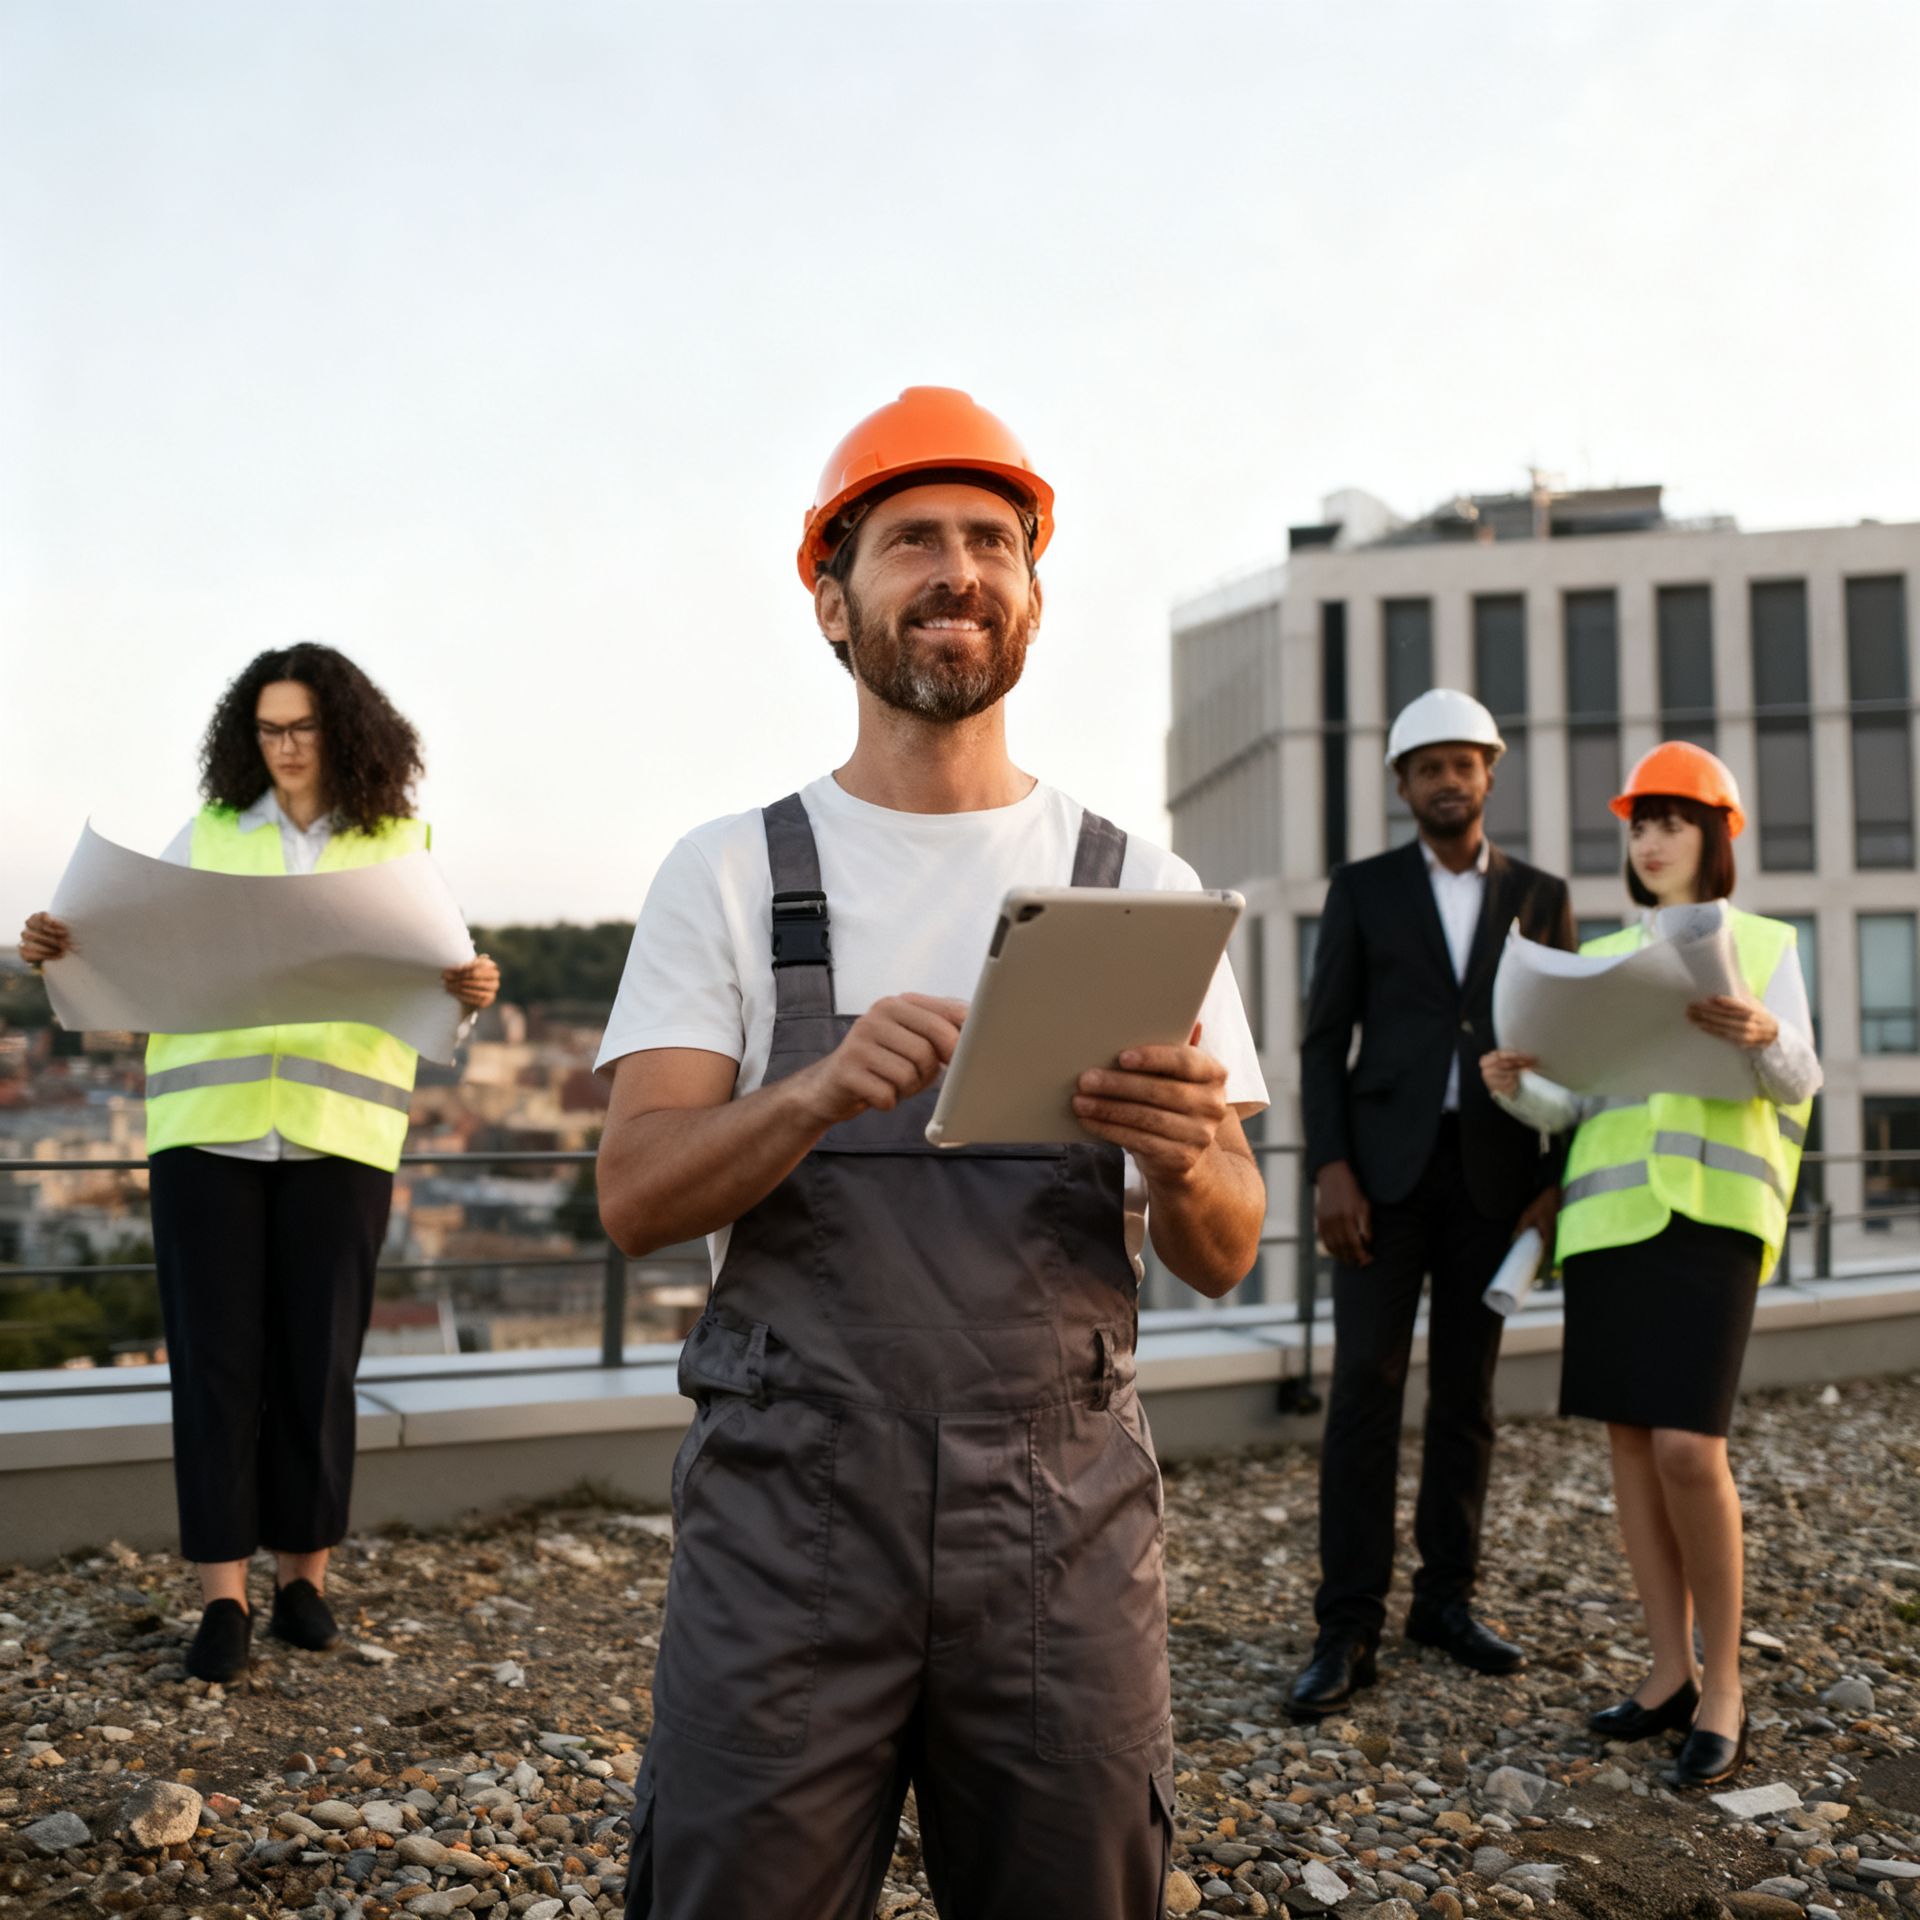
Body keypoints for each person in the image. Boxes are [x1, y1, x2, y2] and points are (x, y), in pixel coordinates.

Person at [595, 386, 1269, 1920]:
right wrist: (812, 1094)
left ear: (1033, 593)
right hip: (786, 1526)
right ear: (833, 597)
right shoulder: (728, 877)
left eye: (992, 539)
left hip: (1063, 1527)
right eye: (912, 540)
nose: (958, 568)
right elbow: (635, 1197)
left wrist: (1184, 1161)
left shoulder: (1137, 889)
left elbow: (1226, 1249)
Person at [19, 643, 499, 1683]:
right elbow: (133, 952)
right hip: (208, 1133)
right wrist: (63, 948)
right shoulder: (209, 837)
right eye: (269, 729)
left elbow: (431, 983)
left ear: (347, 732)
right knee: (216, 1368)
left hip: (342, 1133)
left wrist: (469, 989)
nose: (285, 747)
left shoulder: (398, 844)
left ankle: (305, 1584)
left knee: (316, 1365)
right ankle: (223, 1600)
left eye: (304, 728)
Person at [1480, 741, 1820, 1789]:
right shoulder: (1610, 955)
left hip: (1714, 1221)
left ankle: (1725, 1685)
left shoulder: (1764, 946)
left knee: (1686, 1448)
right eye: (1639, 824)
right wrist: (1516, 1086)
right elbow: (1582, 1106)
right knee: (1631, 1445)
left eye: (1671, 820)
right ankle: (1669, 1672)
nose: (1651, 838)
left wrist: (1762, 1033)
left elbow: (1800, 1077)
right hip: (1609, 1225)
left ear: (1715, 837)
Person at [1290, 688, 1577, 1719]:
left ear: (1490, 773)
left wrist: (1556, 1178)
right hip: (1378, 1179)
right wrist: (1329, 1168)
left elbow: (1574, 1041)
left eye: (1466, 763)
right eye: (1429, 767)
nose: (1449, 781)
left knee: (1468, 1399)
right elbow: (1324, 1040)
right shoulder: (1363, 890)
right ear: (1404, 785)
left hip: (1496, 1178)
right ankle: (1347, 1624)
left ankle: (1445, 1602)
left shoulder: (1543, 896)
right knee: (1364, 1395)